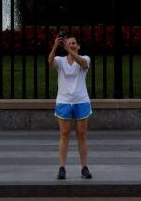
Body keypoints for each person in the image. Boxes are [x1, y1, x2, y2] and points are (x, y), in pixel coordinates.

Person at [48, 33, 92, 180]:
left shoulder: (85, 59)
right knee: (64, 134)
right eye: (69, 43)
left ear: (78, 46)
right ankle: (62, 168)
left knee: (82, 135)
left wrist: (70, 51)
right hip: (64, 102)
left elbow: (82, 63)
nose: (71, 45)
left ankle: (84, 168)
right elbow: (50, 63)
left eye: (74, 43)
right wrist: (55, 45)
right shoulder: (60, 61)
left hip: (81, 101)